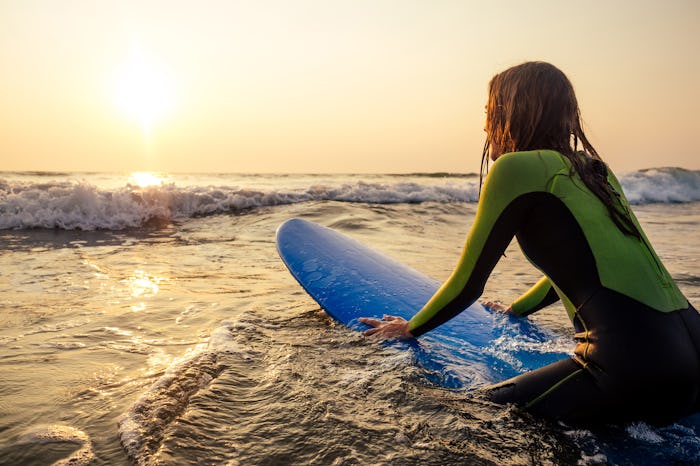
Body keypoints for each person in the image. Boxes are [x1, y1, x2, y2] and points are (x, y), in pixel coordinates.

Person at [359, 61, 700, 425]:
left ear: (511, 111)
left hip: (631, 364)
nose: (485, 123)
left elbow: (469, 283)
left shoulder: (514, 168)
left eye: (489, 111)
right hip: (692, 351)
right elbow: (586, 266)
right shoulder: (594, 169)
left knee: (468, 417)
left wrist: (410, 328)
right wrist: (516, 310)